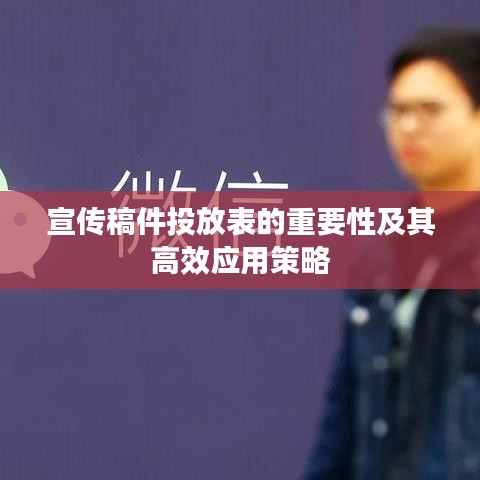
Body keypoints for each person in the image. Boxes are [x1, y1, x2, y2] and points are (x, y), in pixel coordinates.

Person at [303, 26, 480, 480]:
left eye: (430, 110)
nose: (409, 127)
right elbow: (344, 417)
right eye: (399, 111)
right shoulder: (380, 255)